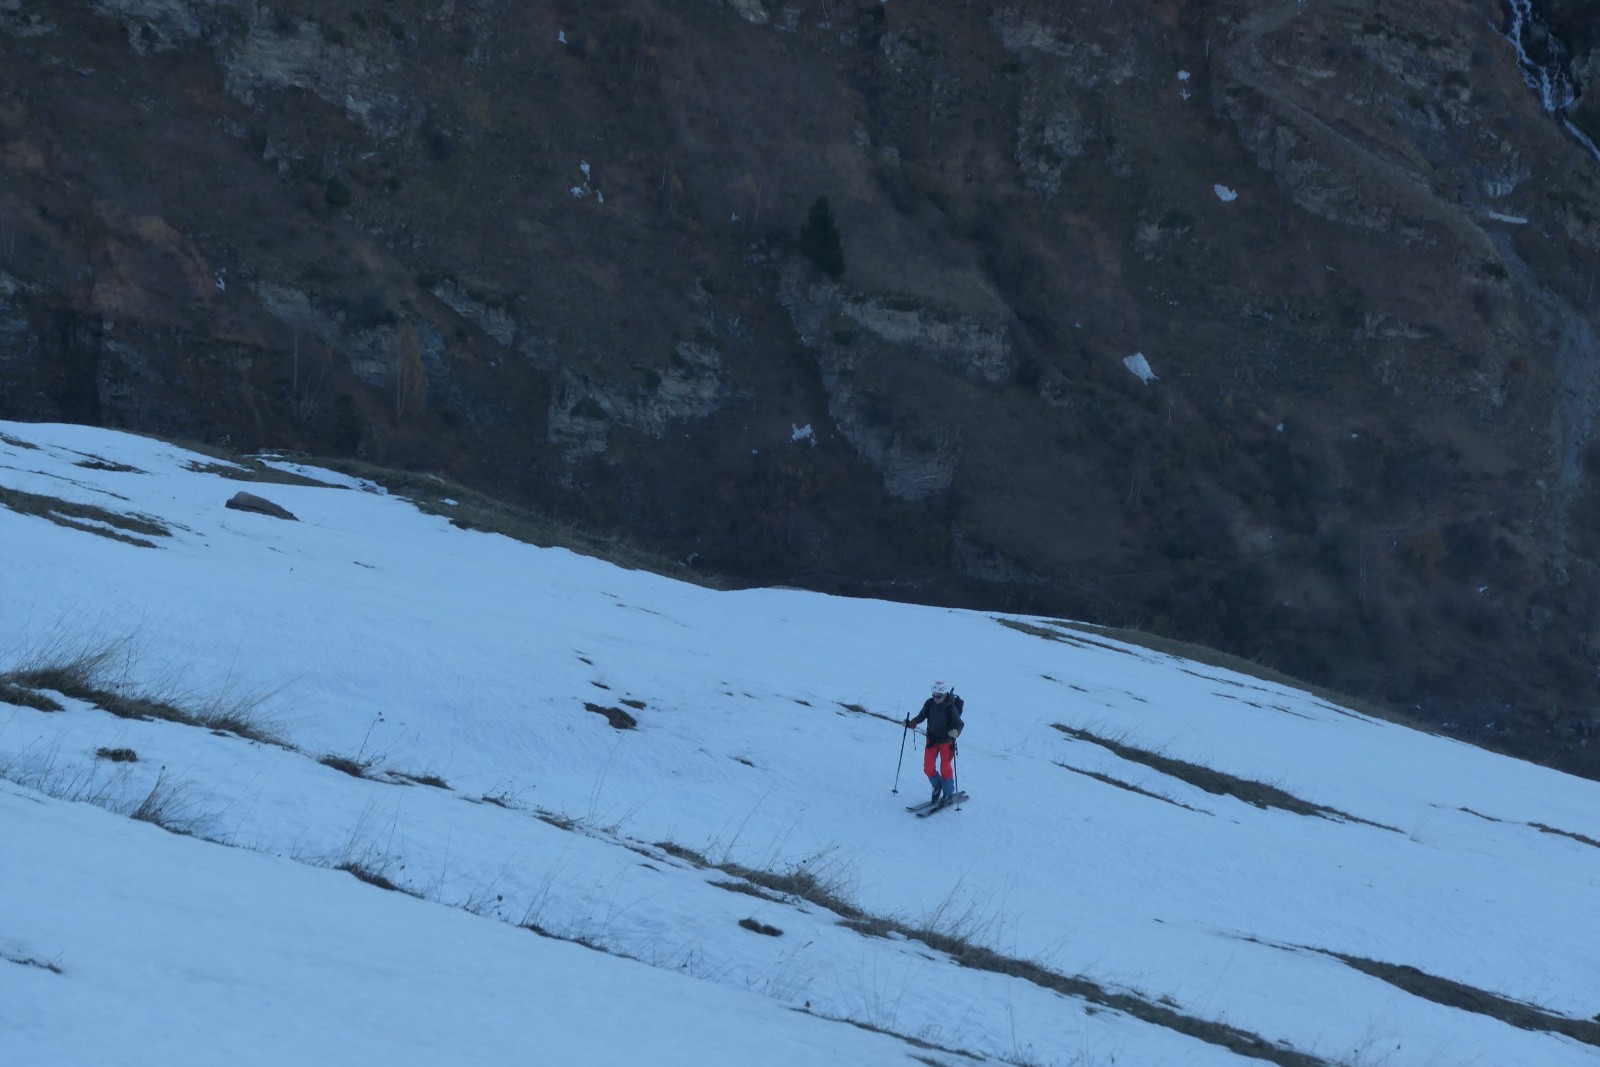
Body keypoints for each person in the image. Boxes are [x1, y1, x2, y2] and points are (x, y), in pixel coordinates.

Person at [904, 680, 964, 805]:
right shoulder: (930, 703)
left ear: (945, 694)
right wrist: (912, 722)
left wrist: (956, 732)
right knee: (928, 767)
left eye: (938, 696)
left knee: (945, 768)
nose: (935, 698)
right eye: (934, 695)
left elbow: (959, 724)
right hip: (931, 739)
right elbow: (922, 716)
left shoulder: (951, 708)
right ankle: (937, 786)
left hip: (946, 742)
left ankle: (947, 793)